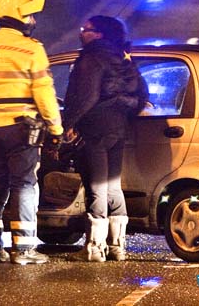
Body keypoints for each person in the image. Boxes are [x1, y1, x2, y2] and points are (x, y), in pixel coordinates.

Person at [0, 0, 64, 265]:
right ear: (20, 17)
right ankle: (23, 250)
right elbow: (44, 95)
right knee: (24, 185)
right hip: (20, 129)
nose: (33, 21)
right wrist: (55, 130)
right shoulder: (31, 49)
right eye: (31, 16)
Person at [62, 15, 148, 262]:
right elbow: (142, 94)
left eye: (85, 29)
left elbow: (86, 96)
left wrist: (69, 123)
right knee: (112, 185)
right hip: (118, 127)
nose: (82, 33)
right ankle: (117, 246)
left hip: (95, 127)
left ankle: (93, 247)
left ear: (98, 34)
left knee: (96, 186)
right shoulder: (123, 58)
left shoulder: (91, 59)